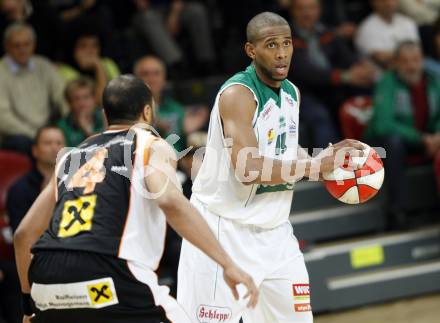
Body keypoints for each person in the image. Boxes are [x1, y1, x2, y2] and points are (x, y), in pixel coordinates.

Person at [14, 75, 258, 323]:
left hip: (46, 282)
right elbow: (170, 201)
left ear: (105, 115)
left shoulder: (70, 157)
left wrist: (27, 306)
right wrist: (227, 263)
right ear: (147, 111)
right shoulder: (150, 144)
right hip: (108, 275)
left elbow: (23, 235)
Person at [177, 12, 365, 323]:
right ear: (251, 51)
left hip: (275, 233)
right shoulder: (238, 94)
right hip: (223, 229)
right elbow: (247, 168)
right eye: (271, 45)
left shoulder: (292, 93)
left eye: (287, 43)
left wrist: (326, 162)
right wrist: (314, 167)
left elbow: (285, 152)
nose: (281, 53)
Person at [364, 41, 440, 228]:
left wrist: (437, 136)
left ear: (423, 60)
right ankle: (397, 212)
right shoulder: (387, 83)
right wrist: (421, 139)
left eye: (415, 60)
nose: (411, 66)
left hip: (425, 138)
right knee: (394, 143)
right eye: (405, 61)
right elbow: (383, 125)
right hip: (381, 144)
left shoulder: (433, 80)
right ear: (396, 63)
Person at [288, 0, 375, 148]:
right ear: (292, 12)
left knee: (368, 101)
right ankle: (328, 167)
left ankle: (368, 160)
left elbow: (346, 57)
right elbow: (305, 73)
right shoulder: (286, 38)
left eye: (311, 8)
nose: (307, 13)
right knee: (320, 117)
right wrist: (346, 76)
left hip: (332, 88)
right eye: (301, 9)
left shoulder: (327, 32)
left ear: (319, 10)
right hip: (302, 93)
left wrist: (362, 67)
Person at [0, 22, 67, 156]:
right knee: (22, 142)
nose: (22, 49)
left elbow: (63, 98)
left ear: (34, 44)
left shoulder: (44, 65)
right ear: (7, 47)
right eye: (17, 45)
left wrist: (70, 123)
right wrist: (37, 136)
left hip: (46, 130)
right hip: (17, 135)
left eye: (26, 44)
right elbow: (3, 118)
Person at [6, 126, 65, 233]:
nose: (54, 148)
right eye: (48, 143)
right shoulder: (19, 190)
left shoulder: (76, 184)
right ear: (35, 151)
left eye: (59, 143)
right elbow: (20, 234)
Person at [134, 55, 186, 152]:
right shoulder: (128, 110)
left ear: (164, 78)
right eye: (145, 74)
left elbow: (183, 145)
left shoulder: (175, 108)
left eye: (156, 73)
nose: (151, 79)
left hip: (175, 163)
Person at [58, 32, 120, 105]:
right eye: (83, 46)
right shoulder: (64, 71)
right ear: (73, 48)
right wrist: (98, 67)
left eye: (95, 45)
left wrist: (98, 65)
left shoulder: (108, 63)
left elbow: (119, 97)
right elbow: (100, 103)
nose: (90, 51)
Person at [355, 0, 420, 70]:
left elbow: (418, 52)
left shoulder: (408, 22)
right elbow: (382, 59)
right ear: (373, 2)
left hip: (413, 72)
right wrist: (408, 55)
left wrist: (396, 56)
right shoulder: (366, 28)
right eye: (383, 0)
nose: (389, 3)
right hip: (383, 76)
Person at [57, 78, 104, 147]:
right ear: (69, 103)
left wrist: (88, 132)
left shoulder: (104, 120)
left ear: (94, 99)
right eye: (76, 99)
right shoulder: (62, 127)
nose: (82, 103)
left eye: (86, 97)